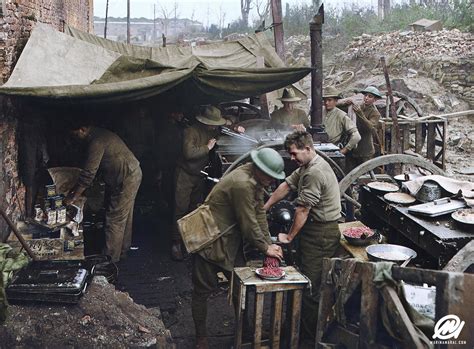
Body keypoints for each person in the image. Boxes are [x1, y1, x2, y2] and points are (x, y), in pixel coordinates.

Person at [192, 147, 284, 349]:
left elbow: (259, 213)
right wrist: (264, 248)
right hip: (209, 238)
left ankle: (247, 330)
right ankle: (201, 337)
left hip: (230, 240)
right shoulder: (242, 183)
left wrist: (269, 243)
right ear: (260, 169)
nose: (272, 181)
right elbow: (248, 222)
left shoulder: (255, 179)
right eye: (270, 176)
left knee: (241, 287)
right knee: (201, 291)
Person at [263, 131, 341, 340]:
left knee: (311, 288)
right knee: (305, 279)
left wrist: (288, 237)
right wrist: (266, 206)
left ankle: (307, 338)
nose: (291, 158)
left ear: (308, 148)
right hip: (312, 231)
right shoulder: (307, 165)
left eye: (294, 153)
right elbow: (286, 185)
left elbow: (302, 210)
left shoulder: (315, 172)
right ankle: (295, 329)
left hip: (321, 234)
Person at [65, 123, 142, 263]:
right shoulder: (98, 134)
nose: (76, 138)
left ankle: (109, 259)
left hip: (127, 177)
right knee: (123, 215)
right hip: (129, 174)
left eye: (76, 135)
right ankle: (122, 251)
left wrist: (73, 197)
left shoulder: (97, 141)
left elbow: (89, 173)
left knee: (114, 218)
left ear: (83, 129)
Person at [172, 105, 226, 261]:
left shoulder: (212, 130)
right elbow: (189, 153)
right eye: (212, 122)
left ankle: (192, 242)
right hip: (185, 175)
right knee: (179, 209)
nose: (214, 126)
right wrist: (207, 148)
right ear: (204, 121)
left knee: (195, 209)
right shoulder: (190, 131)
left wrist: (236, 125)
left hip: (199, 175)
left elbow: (222, 133)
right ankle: (175, 243)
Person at [339, 86, 383, 171]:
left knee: (365, 174)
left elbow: (370, 127)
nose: (366, 98)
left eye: (370, 96)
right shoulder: (357, 106)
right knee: (349, 173)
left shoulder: (375, 113)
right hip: (352, 146)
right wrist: (344, 103)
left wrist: (360, 113)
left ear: (375, 100)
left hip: (365, 149)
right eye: (365, 95)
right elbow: (338, 108)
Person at [322, 86, 361, 156]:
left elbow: (356, 136)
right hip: (317, 149)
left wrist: (344, 150)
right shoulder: (318, 112)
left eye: (329, 100)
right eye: (325, 100)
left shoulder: (341, 115)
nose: (326, 103)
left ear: (336, 101)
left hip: (333, 151)